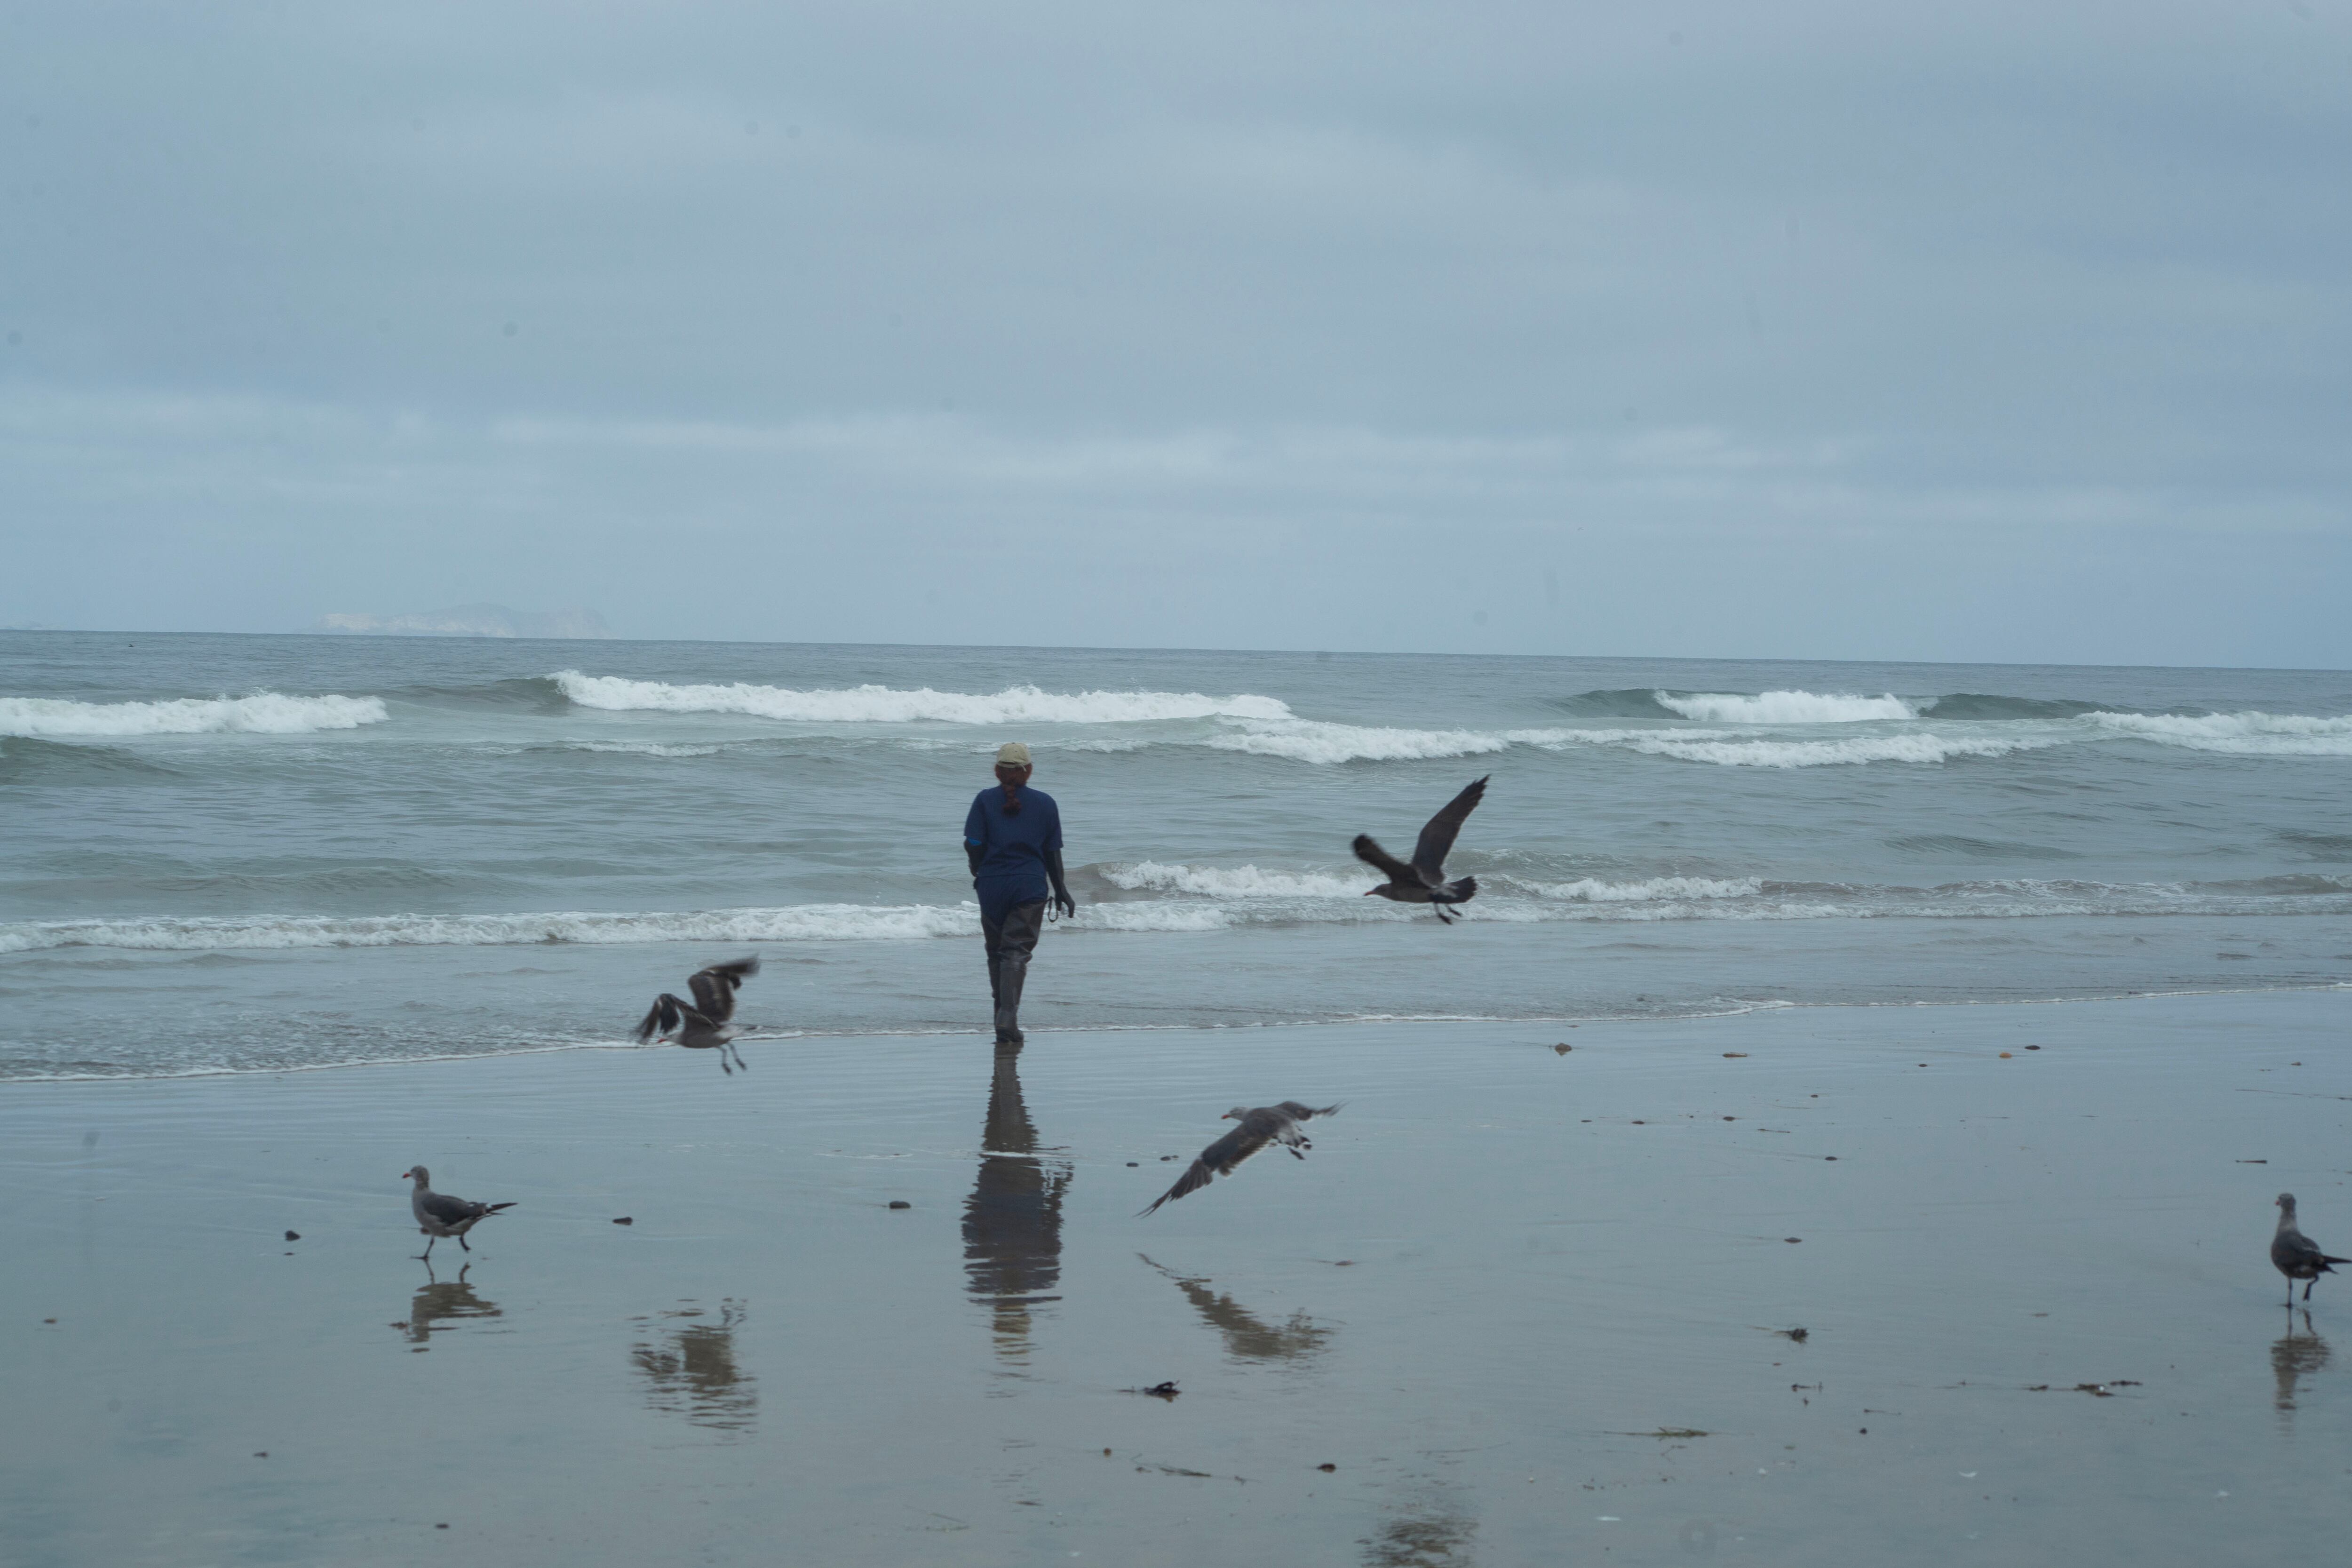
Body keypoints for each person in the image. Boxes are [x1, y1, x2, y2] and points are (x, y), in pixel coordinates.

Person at [963, 742, 1076, 1047]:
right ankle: (1008, 1016)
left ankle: (1002, 1016)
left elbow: (973, 842)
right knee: (1016, 951)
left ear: (998, 770)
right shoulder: (1046, 803)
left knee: (996, 951)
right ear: (1029, 770)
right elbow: (1052, 853)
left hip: (992, 886)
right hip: (1029, 886)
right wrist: (1062, 890)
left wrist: (979, 868)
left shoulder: (985, 800)